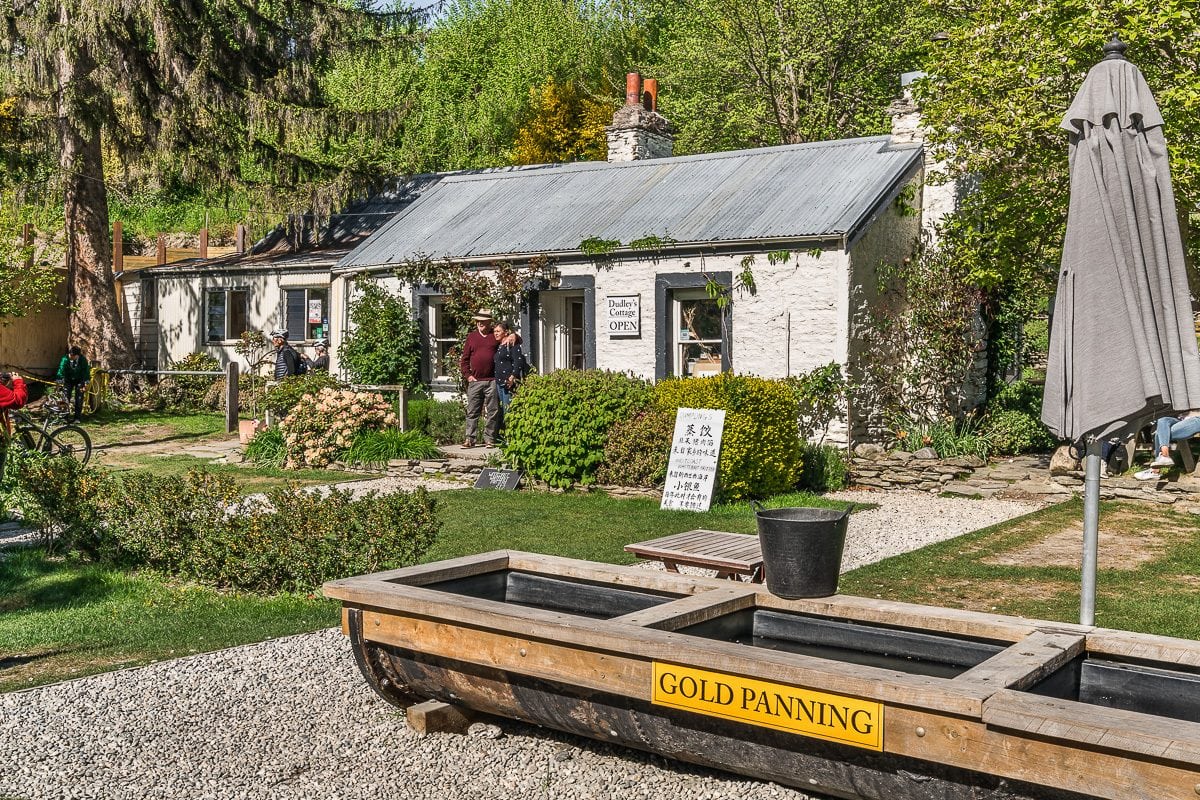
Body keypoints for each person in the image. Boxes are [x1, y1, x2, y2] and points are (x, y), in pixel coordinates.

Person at [459, 309, 500, 448]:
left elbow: (513, 338)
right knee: (472, 411)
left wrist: (514, 337)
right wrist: (468, 375)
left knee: (493, 411)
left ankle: (490, 439)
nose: (479, 323)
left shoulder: (495, 335)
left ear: (489, 322)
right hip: (475, 381)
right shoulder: (472, 337)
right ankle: (470, 439)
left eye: (482, 321)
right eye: (478, 321)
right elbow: (464, 359)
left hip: (492, 380)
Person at [1135, 410, 1200, 480]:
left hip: (1196, 419)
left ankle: (1156, 469)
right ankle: (1164, 458)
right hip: (1179, 419)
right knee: (1162, 420)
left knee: (1160, 433)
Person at [492, 320, 528, 415]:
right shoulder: (499, 346)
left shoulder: (512, 344)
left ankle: (509, 429)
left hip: (509, 383)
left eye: (498, 331)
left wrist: (512, 377)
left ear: (506, 332)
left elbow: (518, 362)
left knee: (509, 411)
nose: (495, 333)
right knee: (502, 410)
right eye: (494, 331)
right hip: (499, 382)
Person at [56, 345, 90, 422]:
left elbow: (86, 372)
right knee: (65, 397)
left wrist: (85, 383)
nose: (70, 357)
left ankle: (77, 418)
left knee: (79, 398)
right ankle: (65, 417)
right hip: (68, 380)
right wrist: (58, 381)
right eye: (70, 355)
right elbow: (61, 370)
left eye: (72, 356)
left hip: (79, 380)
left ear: (77, 356)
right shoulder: (65, 359)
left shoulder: (83, 360)